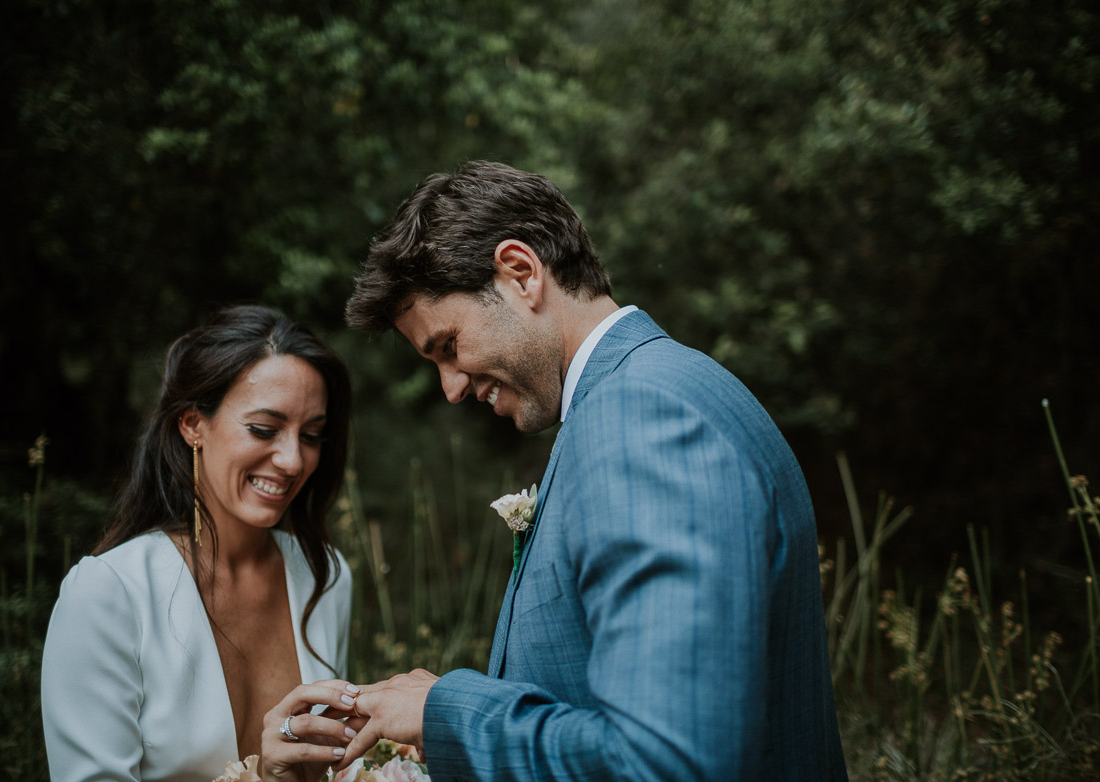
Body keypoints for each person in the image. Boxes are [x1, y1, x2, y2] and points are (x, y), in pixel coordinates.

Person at [335, 162, 848, 779]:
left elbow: (667, 761)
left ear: (521, 273)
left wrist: (449, 711)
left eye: (448, 346)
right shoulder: (666, 388)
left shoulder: (640, 417)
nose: (449, 387)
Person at [41, 305, 361, 781]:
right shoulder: (109, 593)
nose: (293, 460)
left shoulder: (324, 577)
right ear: (193, 424)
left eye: (312, 435)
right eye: (264, 429)